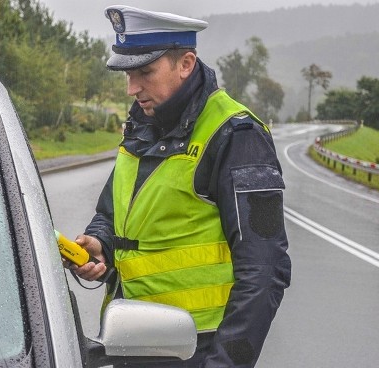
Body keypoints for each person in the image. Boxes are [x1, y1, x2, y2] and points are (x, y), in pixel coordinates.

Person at [71, 5, 291, 367]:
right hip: (128, 344)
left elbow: (266, 269)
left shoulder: (237, 135)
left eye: (145, 72)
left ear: (186, 64)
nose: (131, 88)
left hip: (194, 352)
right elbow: (113, 214)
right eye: (127, 73)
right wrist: (100, 244)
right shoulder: (141, 123)